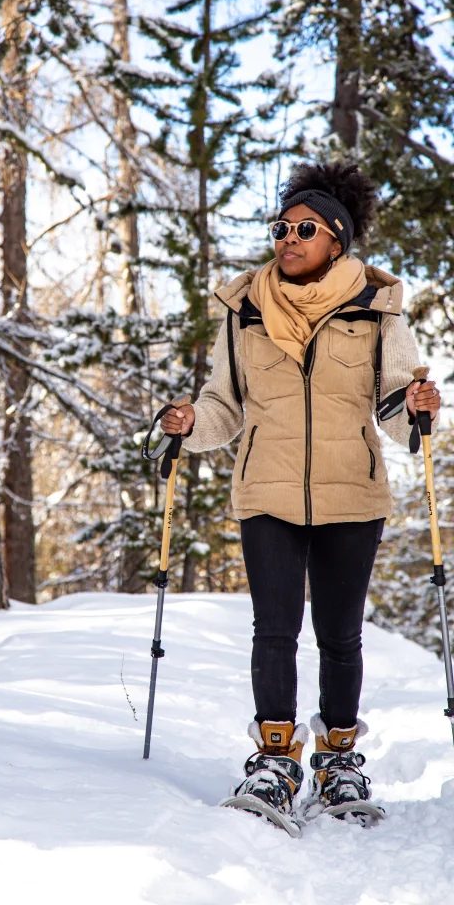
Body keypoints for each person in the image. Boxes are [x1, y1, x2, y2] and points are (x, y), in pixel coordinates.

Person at [160, 159, 441, 831]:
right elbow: (224, 404)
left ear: (336, 240)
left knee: (341, 637)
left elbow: (396, 406)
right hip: (267, 490)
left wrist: (421, 408)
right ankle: (275, 760)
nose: (287, 238)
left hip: (354, 494)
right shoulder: (245, 310)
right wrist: (192, 423)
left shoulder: (378, 309)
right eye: (281, 227)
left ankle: (340, 761)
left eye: (304, 228)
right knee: (274, 632)